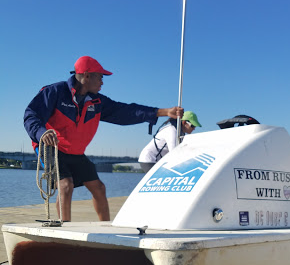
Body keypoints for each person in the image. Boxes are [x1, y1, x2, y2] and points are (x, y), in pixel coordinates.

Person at [23, 56, 183, 222]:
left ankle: (106, 228)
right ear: (87, 76)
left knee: (98, 188)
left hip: (75, 151)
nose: (102, 82)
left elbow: (125, 111)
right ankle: (65, 228)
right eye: (100, 77)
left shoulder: (97, 101)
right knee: (65, 185)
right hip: (52, 148)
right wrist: (41, 132)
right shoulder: (55, 92)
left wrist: (163, 112)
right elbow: (31, 115)